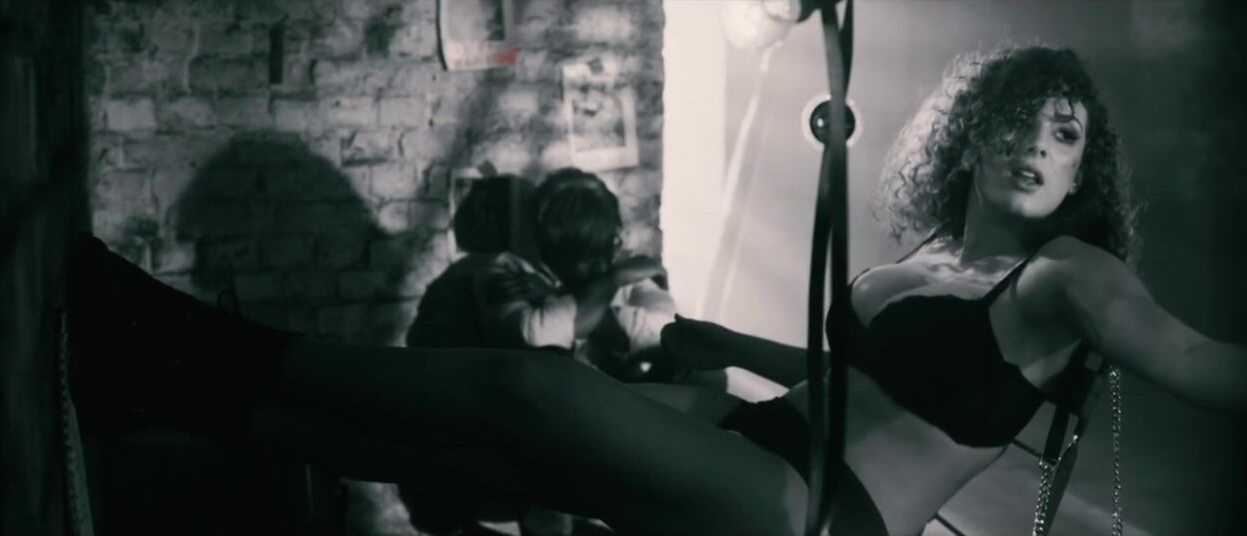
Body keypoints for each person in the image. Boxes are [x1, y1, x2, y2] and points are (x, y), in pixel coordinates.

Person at [64, 45, 1246, 536]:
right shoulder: (928, 254)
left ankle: (171, 334)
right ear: (971, 133)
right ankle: (165, 393)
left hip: (816, 507)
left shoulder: (1066, 278)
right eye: (1018, 120)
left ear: (1083, 170)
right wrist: (706, 333)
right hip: (762, 429)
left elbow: (1201, 365)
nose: (1037, 143)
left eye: (1064, 133)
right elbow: (849, 377)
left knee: (524, 393)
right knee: (491, 448)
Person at [408, 168, 681, 384]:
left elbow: (665, 331)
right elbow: (535, 334)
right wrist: (610, 283)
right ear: (550, 248)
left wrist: (560, 296)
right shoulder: (499, 269)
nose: (599, 268)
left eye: (604, 253)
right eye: (585, 259)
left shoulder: (611, 268)